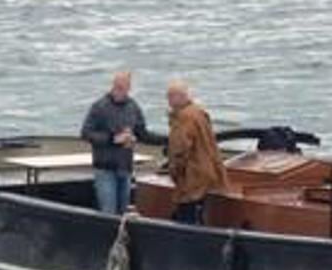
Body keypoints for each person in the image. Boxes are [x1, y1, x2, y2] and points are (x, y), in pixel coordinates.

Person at [79, 71, 165, 215]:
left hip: (125, 167)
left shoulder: (133, 107)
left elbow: (142, 133)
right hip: (105, 168)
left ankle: (121, 236)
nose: (119, 91)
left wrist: (166, 140)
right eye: (117, 87)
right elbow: (86, 133)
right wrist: (112, 139)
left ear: (128, 88)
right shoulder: (99, 107)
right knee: (109, 212)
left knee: (123, 212)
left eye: (123, 88)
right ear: (112, 85)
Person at [163, 80, 227, 225]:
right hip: (206, 171)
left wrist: (174, 171)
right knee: (201, 212)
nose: (168, 101)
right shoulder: (199, 113)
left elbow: (180, 149)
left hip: (192, 175)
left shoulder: (183, 118)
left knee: (186, 215)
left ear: (177, 97)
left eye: (169, 97)